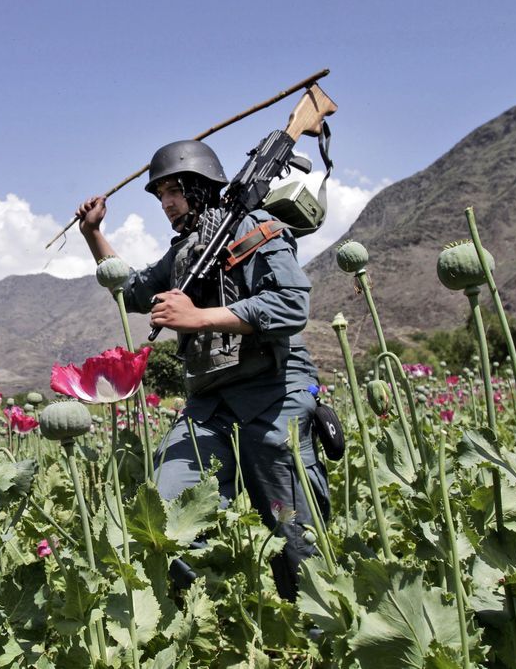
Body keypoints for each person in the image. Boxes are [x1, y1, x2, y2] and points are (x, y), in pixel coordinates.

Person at [76, 139, 329, 599]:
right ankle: (212, 618)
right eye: (160, 196)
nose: (167, 203)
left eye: (174, 190)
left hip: (274, 394)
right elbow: (132, 292)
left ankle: (312, 637)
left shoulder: (258, 227)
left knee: (296, 537)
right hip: (209, 404)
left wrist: (197, 317)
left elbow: (292, 305)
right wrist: (94, 234)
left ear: (200, 186)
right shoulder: (185, 253)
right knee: (167, 521)